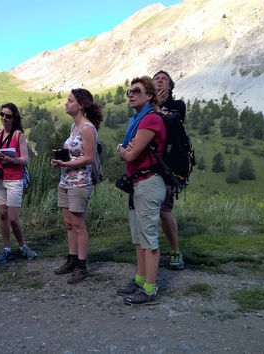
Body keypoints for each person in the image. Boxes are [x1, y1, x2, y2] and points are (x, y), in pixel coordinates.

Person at [116, 76, 166, 304]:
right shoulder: (137, 120)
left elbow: (130, 153)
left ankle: (149, 289)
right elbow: (129, 150)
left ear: (149, 96)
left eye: (136, 91)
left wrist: (123, 150)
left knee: (148, 238)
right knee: (138, 238)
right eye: (129, 91)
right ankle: (140, 280)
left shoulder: (150, 120)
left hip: (148, 183)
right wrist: (125, 149)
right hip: (137, 184)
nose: (131, 94)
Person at [51, 88, 103, 284]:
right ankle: (72, 259)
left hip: (79, 183)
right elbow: (75, 154)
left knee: (79, 225)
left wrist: (65, 163)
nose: (66, 103)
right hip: (65, 181)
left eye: (70, 100)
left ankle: (82, 265)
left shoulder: (87, 128)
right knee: (69, 223)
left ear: (80, 105)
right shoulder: (74, 127)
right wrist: (60, 160)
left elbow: (88, 158)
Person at [0, 103, 38, 265]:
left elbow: (25, 159)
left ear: (14, 118)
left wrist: (10, 159)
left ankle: (22, 245)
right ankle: (6, 248)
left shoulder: (19, 135)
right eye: (2, 114)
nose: (4, 118)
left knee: (12, 217)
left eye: (8, 116)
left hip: (14, 179)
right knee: (2, 214)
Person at [153, 70, 185, 270]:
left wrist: (158, 111)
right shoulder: (147, 106)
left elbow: (172, 122)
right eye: (156, 79)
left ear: (170, 86)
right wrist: (157, 110)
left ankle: (175, 251)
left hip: (168, 167)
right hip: (147, 164)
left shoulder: (177, 105)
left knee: (164, 210)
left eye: (163, 79)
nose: (159, 82)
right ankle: (150, 252)